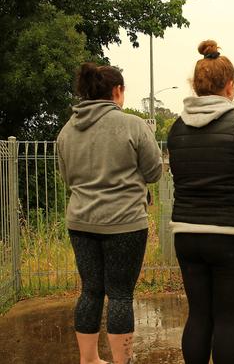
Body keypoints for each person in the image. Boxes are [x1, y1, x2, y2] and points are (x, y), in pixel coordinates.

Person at [167, 39, 234, 364]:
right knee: (228, 320)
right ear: (230, 85)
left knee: (199, 316)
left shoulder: (177, 129)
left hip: (188, 235)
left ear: (196, 85)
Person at [57, 62, 162, 364]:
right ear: (117, 91)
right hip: (125, 224)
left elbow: (66, 177)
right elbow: (154, 172)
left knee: (90, 291)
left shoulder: (67, 130)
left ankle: (89, 360)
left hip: (81, 222)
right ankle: (121, 361)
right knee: (119, 295)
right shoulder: (133, 125)